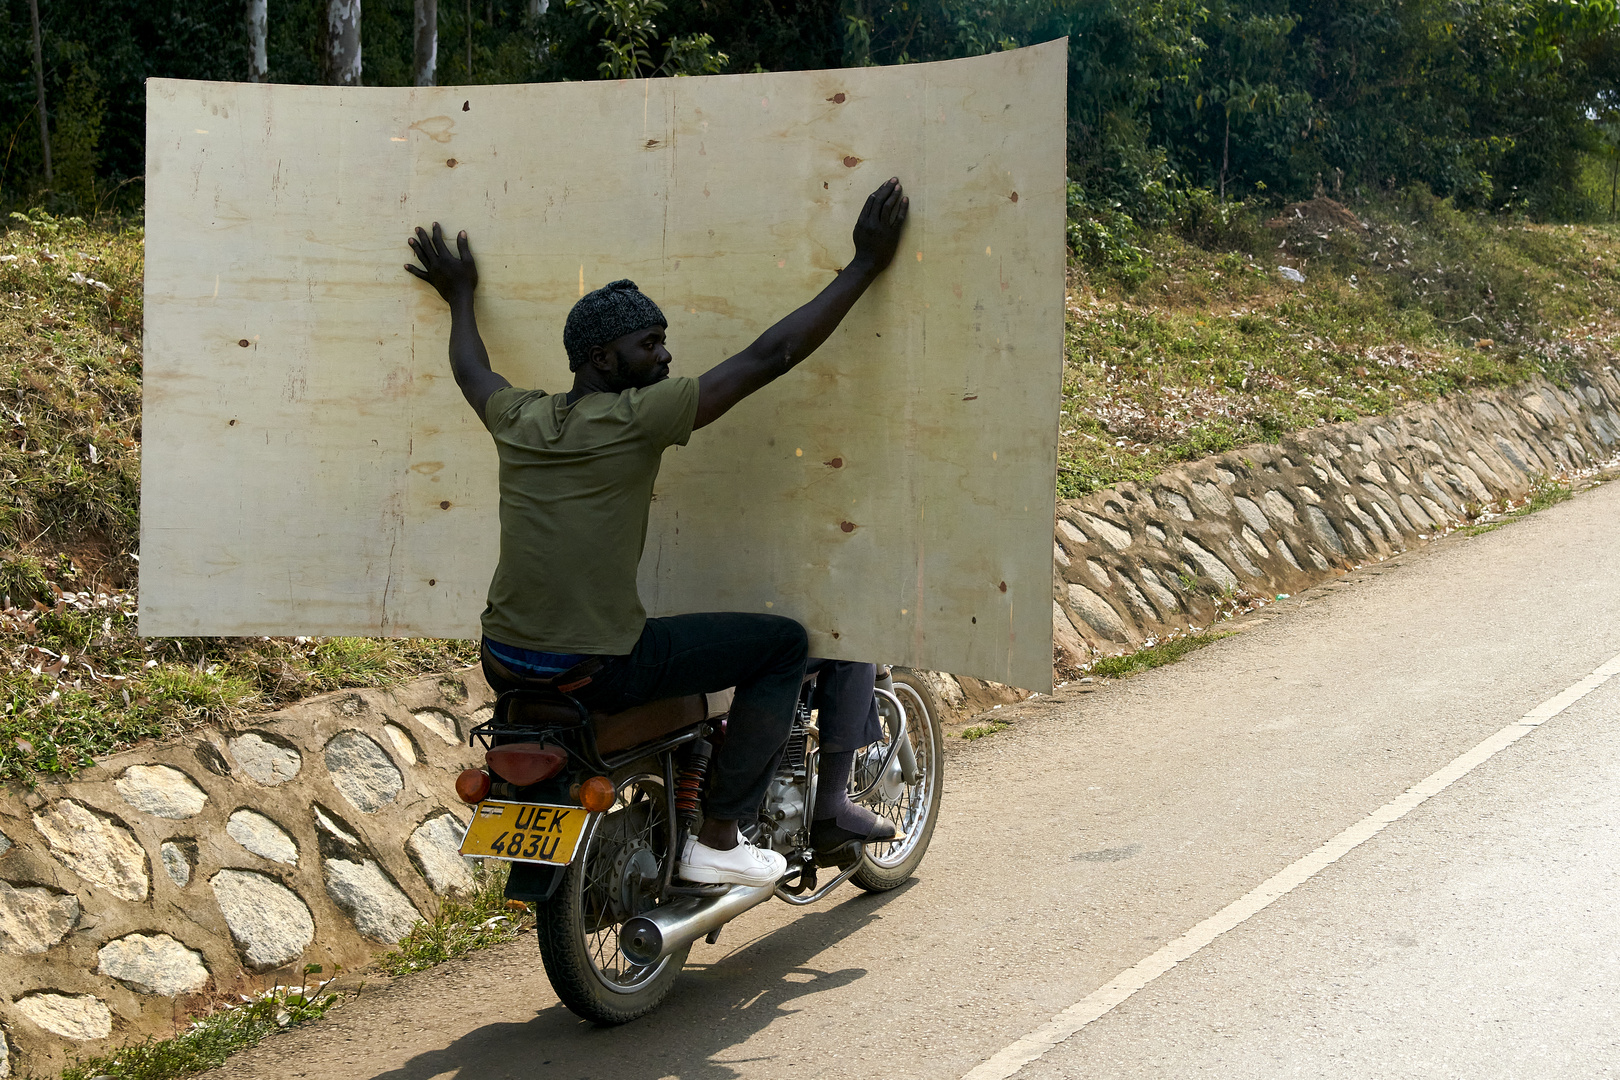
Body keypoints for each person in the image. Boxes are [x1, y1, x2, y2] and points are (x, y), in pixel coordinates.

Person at [405, 178, 909, 887]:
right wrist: (864, 265)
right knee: (782, 647)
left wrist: (459, 295)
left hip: (504, 660)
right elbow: (772, 356)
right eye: (651, 343)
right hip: (597, 663)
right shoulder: (638, 416)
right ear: (603, 361)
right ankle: (720, 834)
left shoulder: (518, 418)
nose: (667, 357)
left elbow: (470, 370)